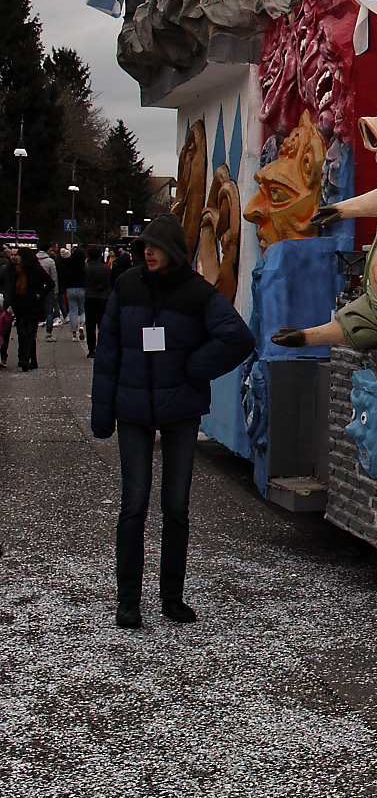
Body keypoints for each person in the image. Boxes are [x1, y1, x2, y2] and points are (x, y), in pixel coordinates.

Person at [90, 214, 253, 628]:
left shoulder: (197, 293)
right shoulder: (126, 286)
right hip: (131, 411)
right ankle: (128, 600)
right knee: (134, 505)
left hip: (180, 413)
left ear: (174, 251)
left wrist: (194, 367)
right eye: (144, 245)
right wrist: (102, 410)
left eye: (156, 246)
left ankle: (172, 598)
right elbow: (108, 352)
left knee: (175, 507)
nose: (148, 251)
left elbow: (238, 338)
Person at [9, 248, 52, 371]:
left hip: (34, 305)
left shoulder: (35, 269)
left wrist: (39, 294)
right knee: (27, 334)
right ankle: (33, 360)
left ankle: (25, 358)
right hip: (22, 305)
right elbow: (13, 289)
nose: (17, 258)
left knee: (29, 332)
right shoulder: (19, 270)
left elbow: (50, 283)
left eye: (19, 256)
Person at [83, 245, 112, 361]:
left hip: (90, 297)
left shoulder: (86, 269)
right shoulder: (106, 268)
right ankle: (103, 347)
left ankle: (91, 349)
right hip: (104, 298)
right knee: (103, 324)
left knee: (90, 325)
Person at [60, 244, 86, 343]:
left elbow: (63, 277)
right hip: (82, 289)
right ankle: (82, 325)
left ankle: (74, 334)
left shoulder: (68, 265)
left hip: (70, 289)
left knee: (73, 312)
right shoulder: (84, 266)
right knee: (83, 310)